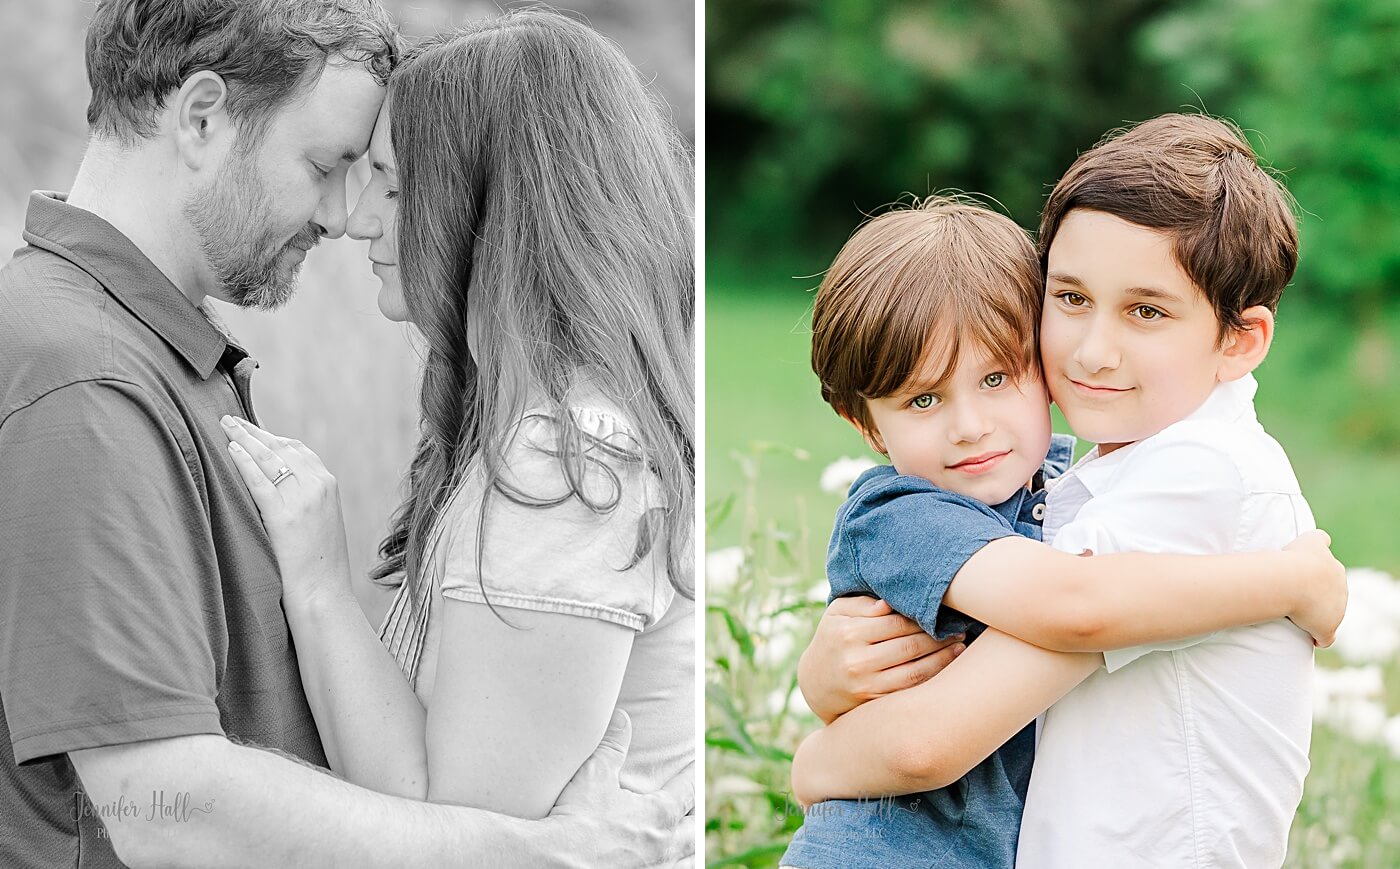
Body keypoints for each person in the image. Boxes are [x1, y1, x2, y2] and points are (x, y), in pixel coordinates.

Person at [0, 2, 689, 867]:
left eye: (384, 182)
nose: (345, 216)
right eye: (327, 164)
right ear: (203, 116)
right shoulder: (84, 379)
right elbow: (157, 802)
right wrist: (535, 852)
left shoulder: (152, 355)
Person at [793, 116, 1327, 868]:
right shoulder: (929, 504)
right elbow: (1072, 604)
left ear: (1239, 339)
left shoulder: (1194, 471)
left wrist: (814, 760)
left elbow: (1065, 619)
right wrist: (1290, 579)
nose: (1093, 350)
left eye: (1146, 310)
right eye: (1071, 298)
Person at [218, 9, 696, 822]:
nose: (362, 218)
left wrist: (321, 583)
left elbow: (457, 832)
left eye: (397, 184)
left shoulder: (568, 465)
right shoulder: (524, 433)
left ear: (497, 208)